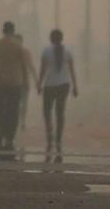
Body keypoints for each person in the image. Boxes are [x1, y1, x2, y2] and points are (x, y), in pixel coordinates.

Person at [0, 21, 31, 154]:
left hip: (1, 82)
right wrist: (26, 82)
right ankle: (10, 136)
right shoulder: (19, 47)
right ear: (13, 31)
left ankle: (0, 129)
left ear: (3, 30)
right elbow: (24, 66)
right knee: (13, 111)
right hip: (15, 83)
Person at [36, 28, 78, 161]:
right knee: (60, 113)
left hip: (50, 85)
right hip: (64, 85)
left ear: (51, 38)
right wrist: (75, 86)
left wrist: (39, 83)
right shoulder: (68, 51)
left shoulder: (46, 51)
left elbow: (42, 69)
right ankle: (58, 138)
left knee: (47, 112)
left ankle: (50, 136)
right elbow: (72, 69)